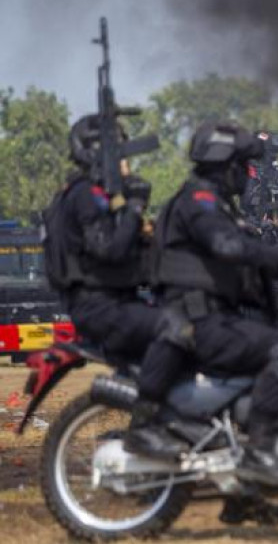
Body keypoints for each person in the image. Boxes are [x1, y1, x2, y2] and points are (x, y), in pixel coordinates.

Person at [153, 120, 278, 477]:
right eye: (242, 167)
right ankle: (259, 456)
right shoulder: (200, 200)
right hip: (197, 320)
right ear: (226, 167)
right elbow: (227, 246)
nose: (247, 175)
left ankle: (243, 481)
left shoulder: (218, 204)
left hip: (212, 315)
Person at [44, 115, 192, 459]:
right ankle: (143, 430)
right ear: (99, 154)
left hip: (108, 301)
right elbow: (109, 249)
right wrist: (134, 207)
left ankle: (166, 430)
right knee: (178, 329)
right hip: (99, 306)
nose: (127, 163)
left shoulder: (92, 196)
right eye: (120, 153)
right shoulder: (85, 196)